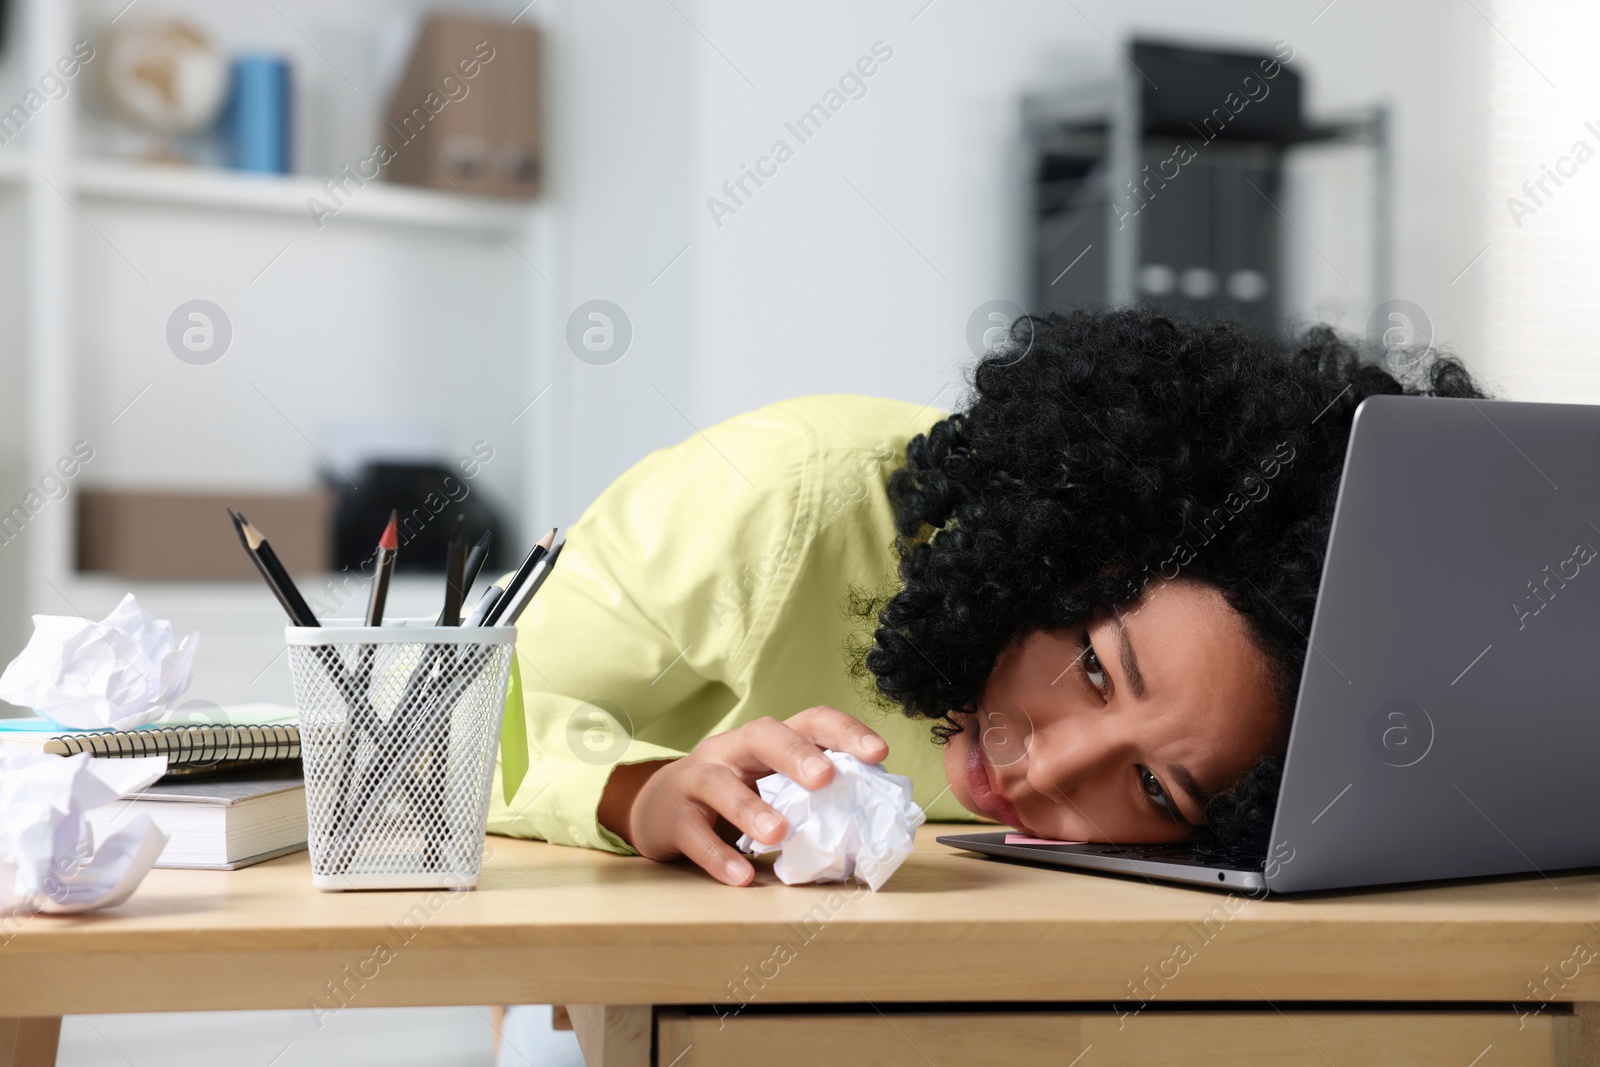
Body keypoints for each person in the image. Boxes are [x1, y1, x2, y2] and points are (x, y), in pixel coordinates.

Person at [486, 306, 1483, 885]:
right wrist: (642, 792)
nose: (1048, 768)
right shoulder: (778, 501)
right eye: (1093, 665)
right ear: (1064, 544)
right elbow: (424, 734)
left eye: (1153, 788)